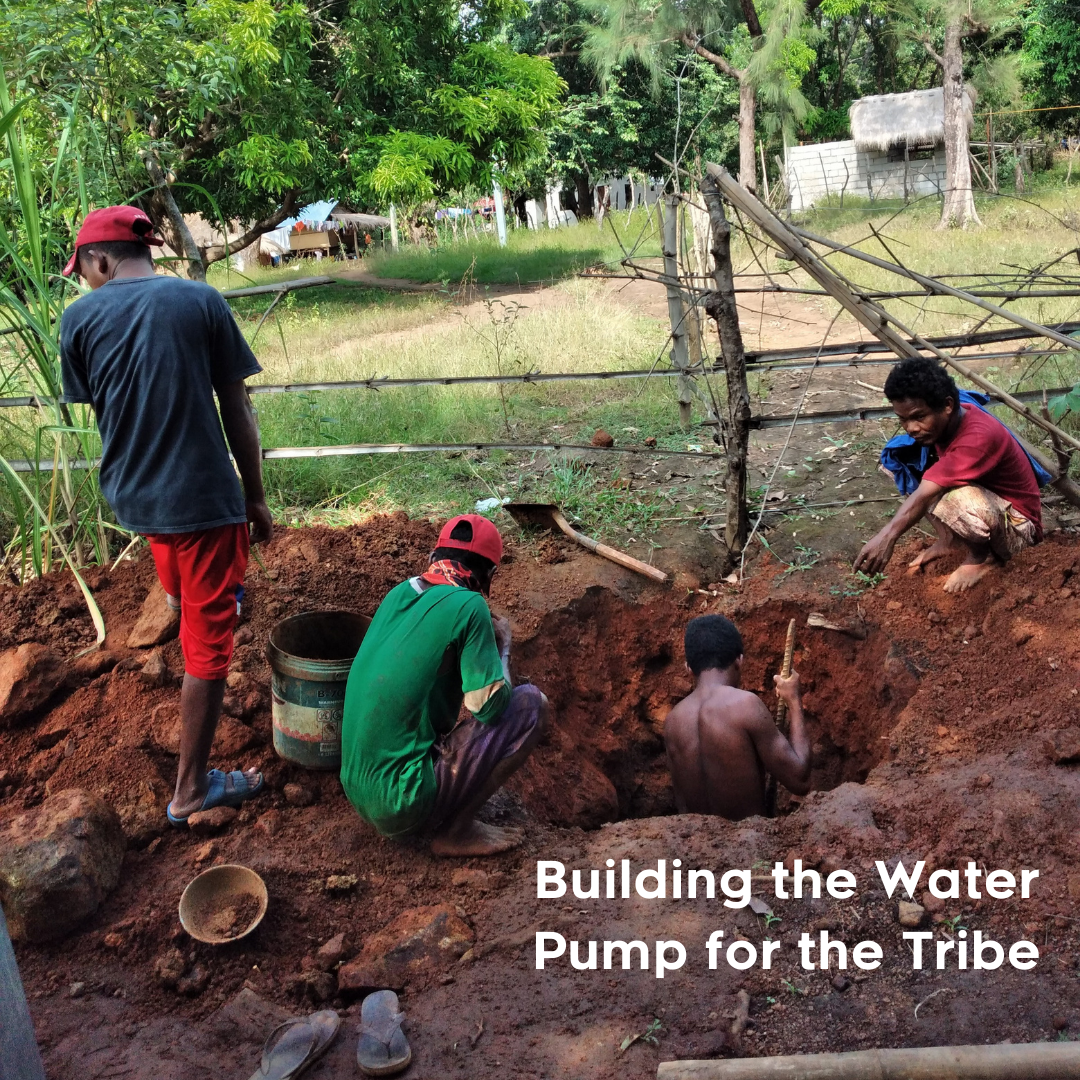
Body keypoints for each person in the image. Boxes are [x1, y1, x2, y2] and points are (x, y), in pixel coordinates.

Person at [59, 205, 272, 826]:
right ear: (146, 249)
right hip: (204, 502)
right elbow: (239, 413)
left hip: (136, 500)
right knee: (209, 655)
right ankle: (190, 791)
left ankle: (195, 607)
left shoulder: (78, 319)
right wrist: (254, 495)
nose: (87, 278)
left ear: (98, 261)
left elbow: (106, 406)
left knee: (185, 588)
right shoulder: (201, 302)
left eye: (85, 269)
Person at [340, 515, 549, 856]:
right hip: (401, 801)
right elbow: (488, 708)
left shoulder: (398, 594)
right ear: (489, 575)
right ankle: (457, 831)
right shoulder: (470, 606)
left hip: (356, 785)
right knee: (531, 706)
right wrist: (503, 648)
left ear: (436, 556)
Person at [854, 357, 1042, 593]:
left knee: (955, 498)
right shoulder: (949, 417)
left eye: (919, 417)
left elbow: (924, 494)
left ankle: (983, 558)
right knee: (900, 460)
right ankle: (949, 540)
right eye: (903, 419)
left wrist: (886, 537)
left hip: (1019, 528)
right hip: (993, 508)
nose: (911, 428)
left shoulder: (978, 438)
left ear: (948, 405)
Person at [664, 615, 811, 821]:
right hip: (749, 847)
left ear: (688, 667)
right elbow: (800, 780)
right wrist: (794, 700)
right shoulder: (745, 706)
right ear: (739, 660)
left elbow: (683, 812)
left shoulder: (672, 722)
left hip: (699, 849)